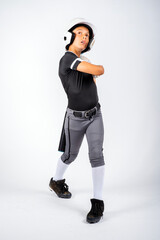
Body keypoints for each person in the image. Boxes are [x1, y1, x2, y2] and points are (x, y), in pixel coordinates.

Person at [49, 18, 105, 224]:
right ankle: (56, 181)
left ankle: (98, 202)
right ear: (70, 35)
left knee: (96, 155)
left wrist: (90, 66)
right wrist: (93, 66)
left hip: (95, 115)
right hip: (75, 118)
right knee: (70, 155)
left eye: (87, 35)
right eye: (80, 32)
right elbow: (100, 70)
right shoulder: (67, 59)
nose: (84, 37)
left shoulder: (83, 62)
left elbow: (93, 77)